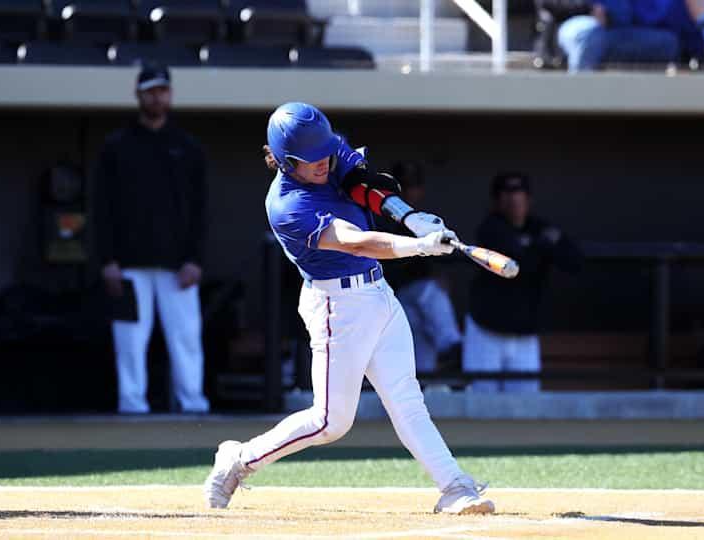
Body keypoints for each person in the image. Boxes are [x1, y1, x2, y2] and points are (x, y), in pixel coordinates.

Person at [202, 103, 495, 515]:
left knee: (407, 399)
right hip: (337, 307)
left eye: (326, 152)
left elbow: (363, 184)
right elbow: (356, 241)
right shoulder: (288, 207)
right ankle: (238, 459)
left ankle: (455, 486)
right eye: (313, 159)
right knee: (329, 422)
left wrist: (410, 216)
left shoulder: (327, 151)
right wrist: (419, 245)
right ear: (287, 162)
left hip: (378, 294)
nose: (325, 161)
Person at [93, 63, 210, 414]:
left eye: (162, 90)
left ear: (170, 94)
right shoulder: (115, 146)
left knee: (186, 337)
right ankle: (132, 407)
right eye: (149, 90)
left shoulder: (188, 147)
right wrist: (107, 261)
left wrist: (195, 259)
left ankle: (193, 405)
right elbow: (101, 208)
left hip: (178, 264)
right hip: (127, 264)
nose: (156, 97)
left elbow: (202, 209)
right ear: (138, 94)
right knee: (129, 340)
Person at [463, 173, 582, 392]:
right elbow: (518, 265)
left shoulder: (539, 227)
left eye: (519, 195)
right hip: (487, 329)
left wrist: (539, 245)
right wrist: (542, 248)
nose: (514, 201)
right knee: (482, 402)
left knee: (525, 403)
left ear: (528, 199)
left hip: (524, 334)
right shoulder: (490, 228)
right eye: (507, 196)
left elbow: (574, 261)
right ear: (496, 201)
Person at [381, 161, 463, 373]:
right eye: (402, 186)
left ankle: (450, 349)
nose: (409, 192)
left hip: (412, 309)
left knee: (420, 366)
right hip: (386, 299)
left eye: (413, 186)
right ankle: (451, 343)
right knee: (429, 291)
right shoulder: (379, 218)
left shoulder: (424, 221)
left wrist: (436, 273)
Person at [556, 0, 681, 72]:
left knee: (668, 42)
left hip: (621, 33)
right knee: (590, 35)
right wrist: (589, 8)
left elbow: (652, 14)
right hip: (577, 23)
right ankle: (580, 99)